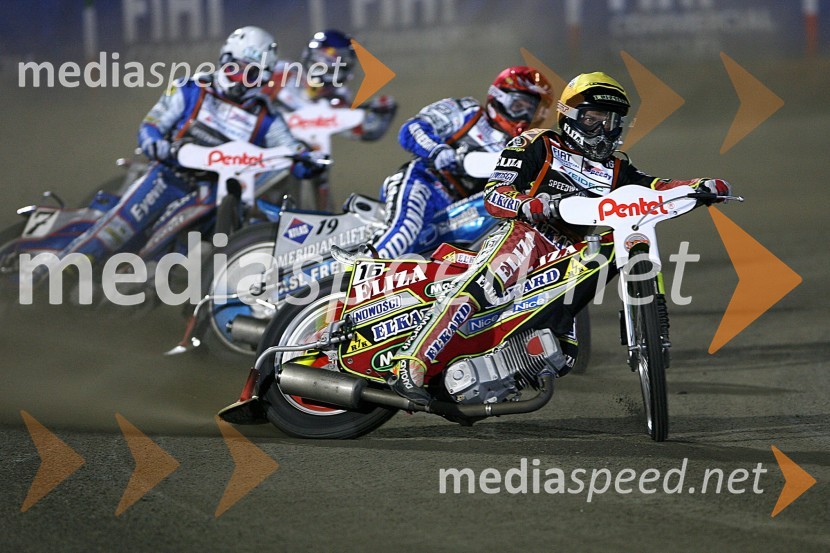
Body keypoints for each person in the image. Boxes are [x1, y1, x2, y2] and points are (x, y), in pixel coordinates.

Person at [389, 71, 733, 405]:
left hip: (571, 251)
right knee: (483, 289)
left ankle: (482, 379)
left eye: (612, 120)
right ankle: (412, 365)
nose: (605, 128)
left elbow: (655, 185)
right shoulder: (538, 142)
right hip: (527, 234)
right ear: (570, 116)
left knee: (564, 354)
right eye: (595, 117)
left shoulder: (616, 168)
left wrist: (698, 186)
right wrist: (530, 204)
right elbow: (495, 196)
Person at [52, 26, 321, 270]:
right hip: (169, 176)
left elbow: (291, 151)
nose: (240, 79)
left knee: (227, 242)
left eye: (250, 74)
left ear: (263, 79)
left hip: (216, 195)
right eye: (234, 68)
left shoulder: (267, 117)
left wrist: (306, 160)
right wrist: (158, 146)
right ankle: (49, 275)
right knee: (115, 232)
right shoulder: (190, 89)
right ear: (223, 61)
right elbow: (151, 126)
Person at [371, 66, 554, 259]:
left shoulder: (523, 147)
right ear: (498, 98)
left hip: (462, 213)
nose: (524, 118)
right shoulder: (467, 112)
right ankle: (360, 267)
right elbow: (412, 128)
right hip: (424, 181)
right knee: (405, 230)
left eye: (531, 111)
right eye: (518, 107)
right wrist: (437, 151)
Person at [268, 29, 398, 209]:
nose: (327, 65)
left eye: (336, 62)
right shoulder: (281, 74)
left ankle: (321, 222)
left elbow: (364, 130)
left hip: (311, 162)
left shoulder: (338, 98)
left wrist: (383, 113)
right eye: (324, 59)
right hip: (266, 156)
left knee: (322, 186)